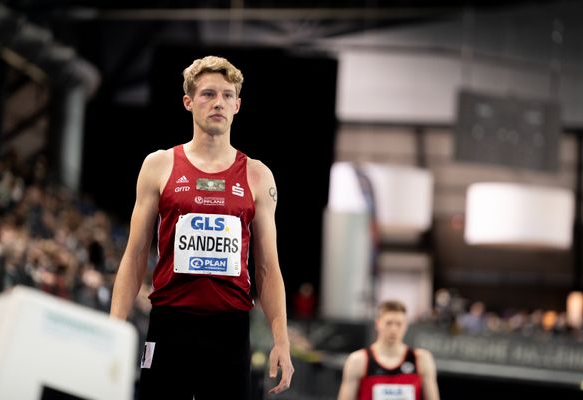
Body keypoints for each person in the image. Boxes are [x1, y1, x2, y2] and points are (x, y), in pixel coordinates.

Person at [110, 55, 294, 399]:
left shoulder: (257, 175)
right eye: (208, 94)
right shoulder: (159, 165)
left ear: (238, 105)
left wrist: (281, 339)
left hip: (230, 328)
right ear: (188, 101)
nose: (218, 103)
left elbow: (268, 268)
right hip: (169, 324)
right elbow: (135, 254)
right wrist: (113, 330)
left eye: (227, 95)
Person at [337, 300, 440, 400]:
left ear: (406, 326)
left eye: (399, 324)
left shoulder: (421, 359)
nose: (394, 329)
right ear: (377, 324)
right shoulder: (358, 360)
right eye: (389, 323)